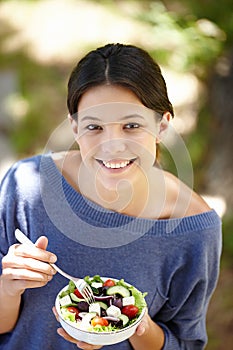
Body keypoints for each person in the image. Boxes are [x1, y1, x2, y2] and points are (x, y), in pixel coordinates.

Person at [0, 43, 222, 350]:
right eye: (94, 127)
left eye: (131, 125)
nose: (112, 146)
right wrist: (7, 289)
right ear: (75, 127)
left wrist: (135, 327)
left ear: (162, 126)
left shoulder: (194, 230)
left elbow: (184, 344)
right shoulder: (24, 186)